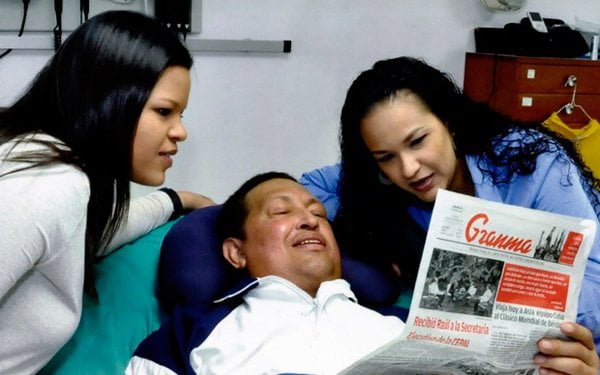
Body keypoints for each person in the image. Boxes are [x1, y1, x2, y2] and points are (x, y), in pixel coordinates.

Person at [299, 57, 600, 352]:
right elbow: (310, 188)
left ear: (449, 122)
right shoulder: (383, 185)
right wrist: (365, 238)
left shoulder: (532, 165)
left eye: (417, 141)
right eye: (386, 157)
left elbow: (596, 295)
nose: (408, 169)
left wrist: (496, 286)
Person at [0, 11, 214, 374]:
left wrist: (176, 200)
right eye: (164, 111)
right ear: (107, 100)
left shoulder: (42, 163)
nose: (180, 132)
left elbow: (92, 234)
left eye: (181, 115)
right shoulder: (49, 184)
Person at [126, 172, 406, 374]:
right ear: (236, 252)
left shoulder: (405, 325)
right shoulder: (189, 335)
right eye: (281, 212)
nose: (310, 221)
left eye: (319, 213)